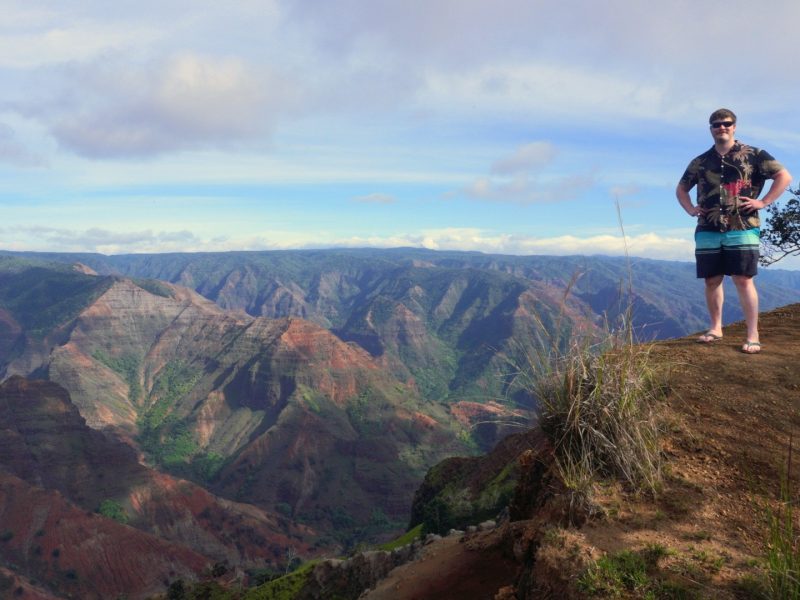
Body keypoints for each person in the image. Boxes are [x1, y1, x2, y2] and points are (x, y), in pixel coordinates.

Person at [676, 108, 792, 354]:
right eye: (716, 124)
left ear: (735, 126)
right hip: (707, 226)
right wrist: (690, 209)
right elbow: (682, 188)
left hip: (743, 225)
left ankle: (753, 334)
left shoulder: (754, 155)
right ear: (711, 129)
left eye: (726, 123)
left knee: (742, 279)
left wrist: (764, 202)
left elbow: (783, 176)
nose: (722, 127)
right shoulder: (700, 161)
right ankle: (715, 327)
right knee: (712, 279)